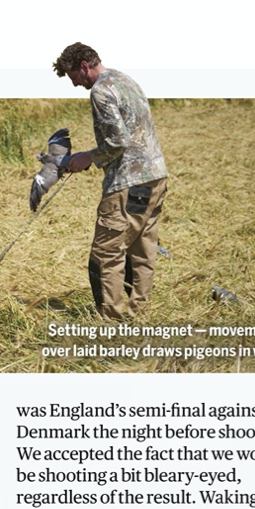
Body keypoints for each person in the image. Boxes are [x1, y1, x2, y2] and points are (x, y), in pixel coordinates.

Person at [52, 43, 168, 319]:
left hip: (127, 184)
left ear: (84, 66)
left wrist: (87, 157)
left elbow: (118, 141)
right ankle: (139, 312)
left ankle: (111, 321)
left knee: (106, 253)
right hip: (155, 178)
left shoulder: (101, 91)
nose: (75, 84)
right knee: (142, 249)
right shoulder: (125, 80)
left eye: (74, 77)